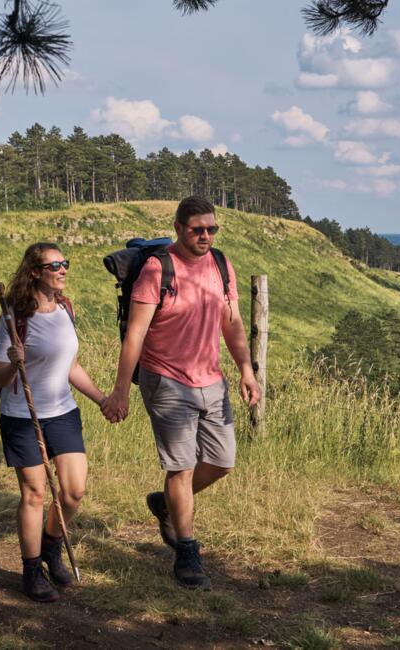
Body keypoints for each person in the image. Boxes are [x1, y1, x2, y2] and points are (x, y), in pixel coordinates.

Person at [100, 196, 261, 589]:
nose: (205, 236)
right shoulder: (158, 269)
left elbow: (232, 321)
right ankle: (187, 554)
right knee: (181, 467)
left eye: (211, 229)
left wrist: (245, 370)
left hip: (211, 379)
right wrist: (120, 390)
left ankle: (166, 503)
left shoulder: (222, 265)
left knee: (223, 462)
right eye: (197, 230)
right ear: (178, 228)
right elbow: (135, 334)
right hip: (166, 381)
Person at [0, 242, 107, 603]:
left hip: (63, 412)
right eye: (54, 265)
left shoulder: (66, 309)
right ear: (34, 272)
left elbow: (69, 366)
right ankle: (31, 570)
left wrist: (102, 399)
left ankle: (52, 545)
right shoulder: (13, 316)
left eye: (64, 263)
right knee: (36, 493)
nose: (62, 269)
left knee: (73, 492)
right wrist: (13, 360)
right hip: (23, 415)